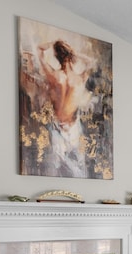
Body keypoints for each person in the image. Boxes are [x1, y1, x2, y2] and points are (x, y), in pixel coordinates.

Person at [38, 39, 96, 177]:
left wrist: (51, 43)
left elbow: (39, 51)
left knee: (55, 169)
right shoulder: (79, 78)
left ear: (57, 57)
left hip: (60, 126)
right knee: (79, 169)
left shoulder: (55, 76)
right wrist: (74, 54)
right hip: (72, 126)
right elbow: (90, 62)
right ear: (70, 56)